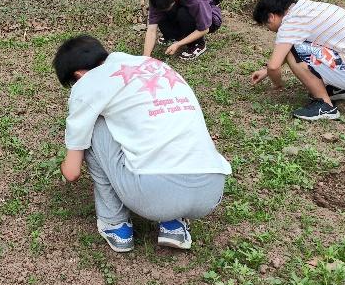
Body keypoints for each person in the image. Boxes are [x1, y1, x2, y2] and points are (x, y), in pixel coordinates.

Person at [54, 35, 231, 253]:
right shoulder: (154, 65)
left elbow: (71, 173)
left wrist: (64, 166)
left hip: (154, 195)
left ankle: (115, 224)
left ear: (78, 75)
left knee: (93, 125)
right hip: (210, 191)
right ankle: (173, 224)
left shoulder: (89, 83)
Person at [250, 0, 345, 121]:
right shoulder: (306, 9)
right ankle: (340, 88)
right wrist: (266, 72)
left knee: (295, 48)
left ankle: (325, 105)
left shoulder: (290, 23)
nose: (270, 29)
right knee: (298, 46)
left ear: (271, 17)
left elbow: (274, 66)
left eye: (266, 25)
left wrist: (277, 84)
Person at [142, 0, 222, 61]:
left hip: (210, 19)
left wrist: (178, 44)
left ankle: (198, 44)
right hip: (181, 8)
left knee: (183, 13)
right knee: (161, 13)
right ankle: (175, 36)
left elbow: (205, 29)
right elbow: (151, 29)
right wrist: (145, 57)